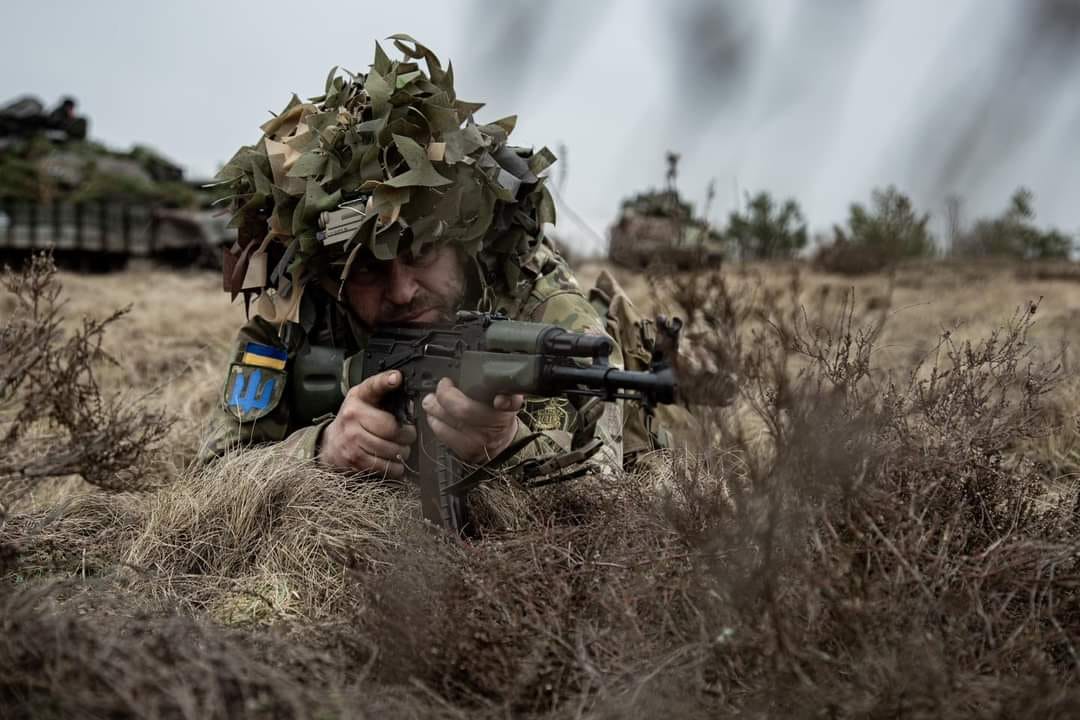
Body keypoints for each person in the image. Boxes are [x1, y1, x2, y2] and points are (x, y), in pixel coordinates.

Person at [200, 36, 637, 486]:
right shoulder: (298, 315)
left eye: (422, 252)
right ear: (331, 279)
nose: (403, 290)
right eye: (368, 269)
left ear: (464, 241)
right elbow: (211, 482)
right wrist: (321, 449)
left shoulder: (542, 311)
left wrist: (505, 448)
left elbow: (603, 495)